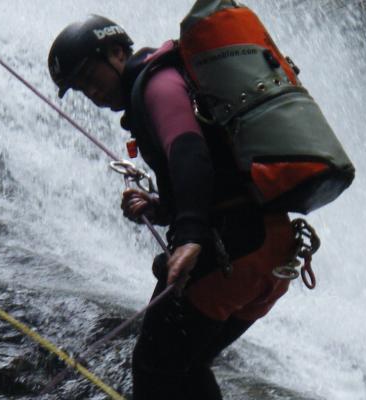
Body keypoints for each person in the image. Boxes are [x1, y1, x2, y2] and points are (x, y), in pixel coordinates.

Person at [49, 15, 298, 400]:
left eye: (89, 75)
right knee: (184, 366)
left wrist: (191, 235)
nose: (91, 91)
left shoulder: (157, 84)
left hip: (234, 251)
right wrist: (164, 208)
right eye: (80, 88)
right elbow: (216, 174)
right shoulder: (176, 81)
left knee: (153, 368)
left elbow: (188, 150)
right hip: (270, 251)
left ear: (116, 52)